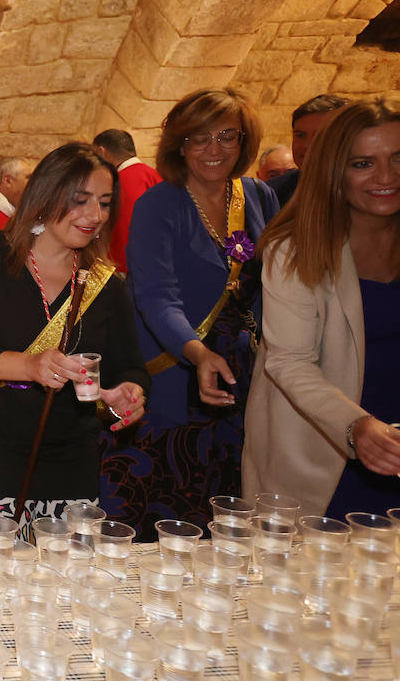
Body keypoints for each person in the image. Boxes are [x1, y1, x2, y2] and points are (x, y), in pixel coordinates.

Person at [244, 98, 400, 532]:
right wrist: (358, 427)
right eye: (362, 163)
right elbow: (288, 361)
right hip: (325, 432)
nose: (386, 177)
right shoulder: (295, 246)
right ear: (334, 170)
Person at [0, 144, 148, 538]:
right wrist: (31, 365)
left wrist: (130, 391)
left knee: (65, 578)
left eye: (105, 203)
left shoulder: (106, 283)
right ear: (45, 193)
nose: (96, 215)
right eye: (81, 200)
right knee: (4, 575)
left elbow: (130, 364)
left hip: (73, 455)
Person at [101, 88, 278, 541]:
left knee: (235, 504)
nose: (213, 150)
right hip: (177, 371)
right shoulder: (160, 205)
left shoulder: (258, 196)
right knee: (172, 509)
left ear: (244, 141)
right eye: (199, 138)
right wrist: (198, 355)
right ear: (180, 144)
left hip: (243, 374)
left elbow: (274, 284)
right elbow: (157, 296)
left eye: (226, 136)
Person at [93, 129, 161, 274]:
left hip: (127, 270)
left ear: (101, 151)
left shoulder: (119, 181)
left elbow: (125, 230)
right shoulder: (155, 176)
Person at [268, 94, 349, 206]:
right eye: (300, 135)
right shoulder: (272, 193)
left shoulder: (365, 190)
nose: (307, 145)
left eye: (319, 136)